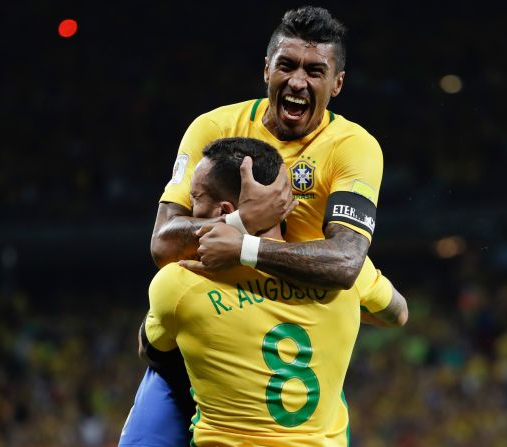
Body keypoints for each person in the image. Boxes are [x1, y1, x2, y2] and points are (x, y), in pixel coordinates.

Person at [119, 6, 395, 446]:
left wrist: (245, 246)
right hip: (214, 318)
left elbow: (346, 262)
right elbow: (163, 245)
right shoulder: (212, 128)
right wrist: (243, 221)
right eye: (286, 65)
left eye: (315, 70)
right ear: (266, 68)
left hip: (294, 323)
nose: (298, 81)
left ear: (337, 84)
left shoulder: (353, 148)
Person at [141, 137, 408, 445]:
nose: (190, 209)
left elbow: (153, 351)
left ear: (224, 210)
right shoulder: (346, 274)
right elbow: (398, 313)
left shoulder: (179, 284)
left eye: (196, 198)